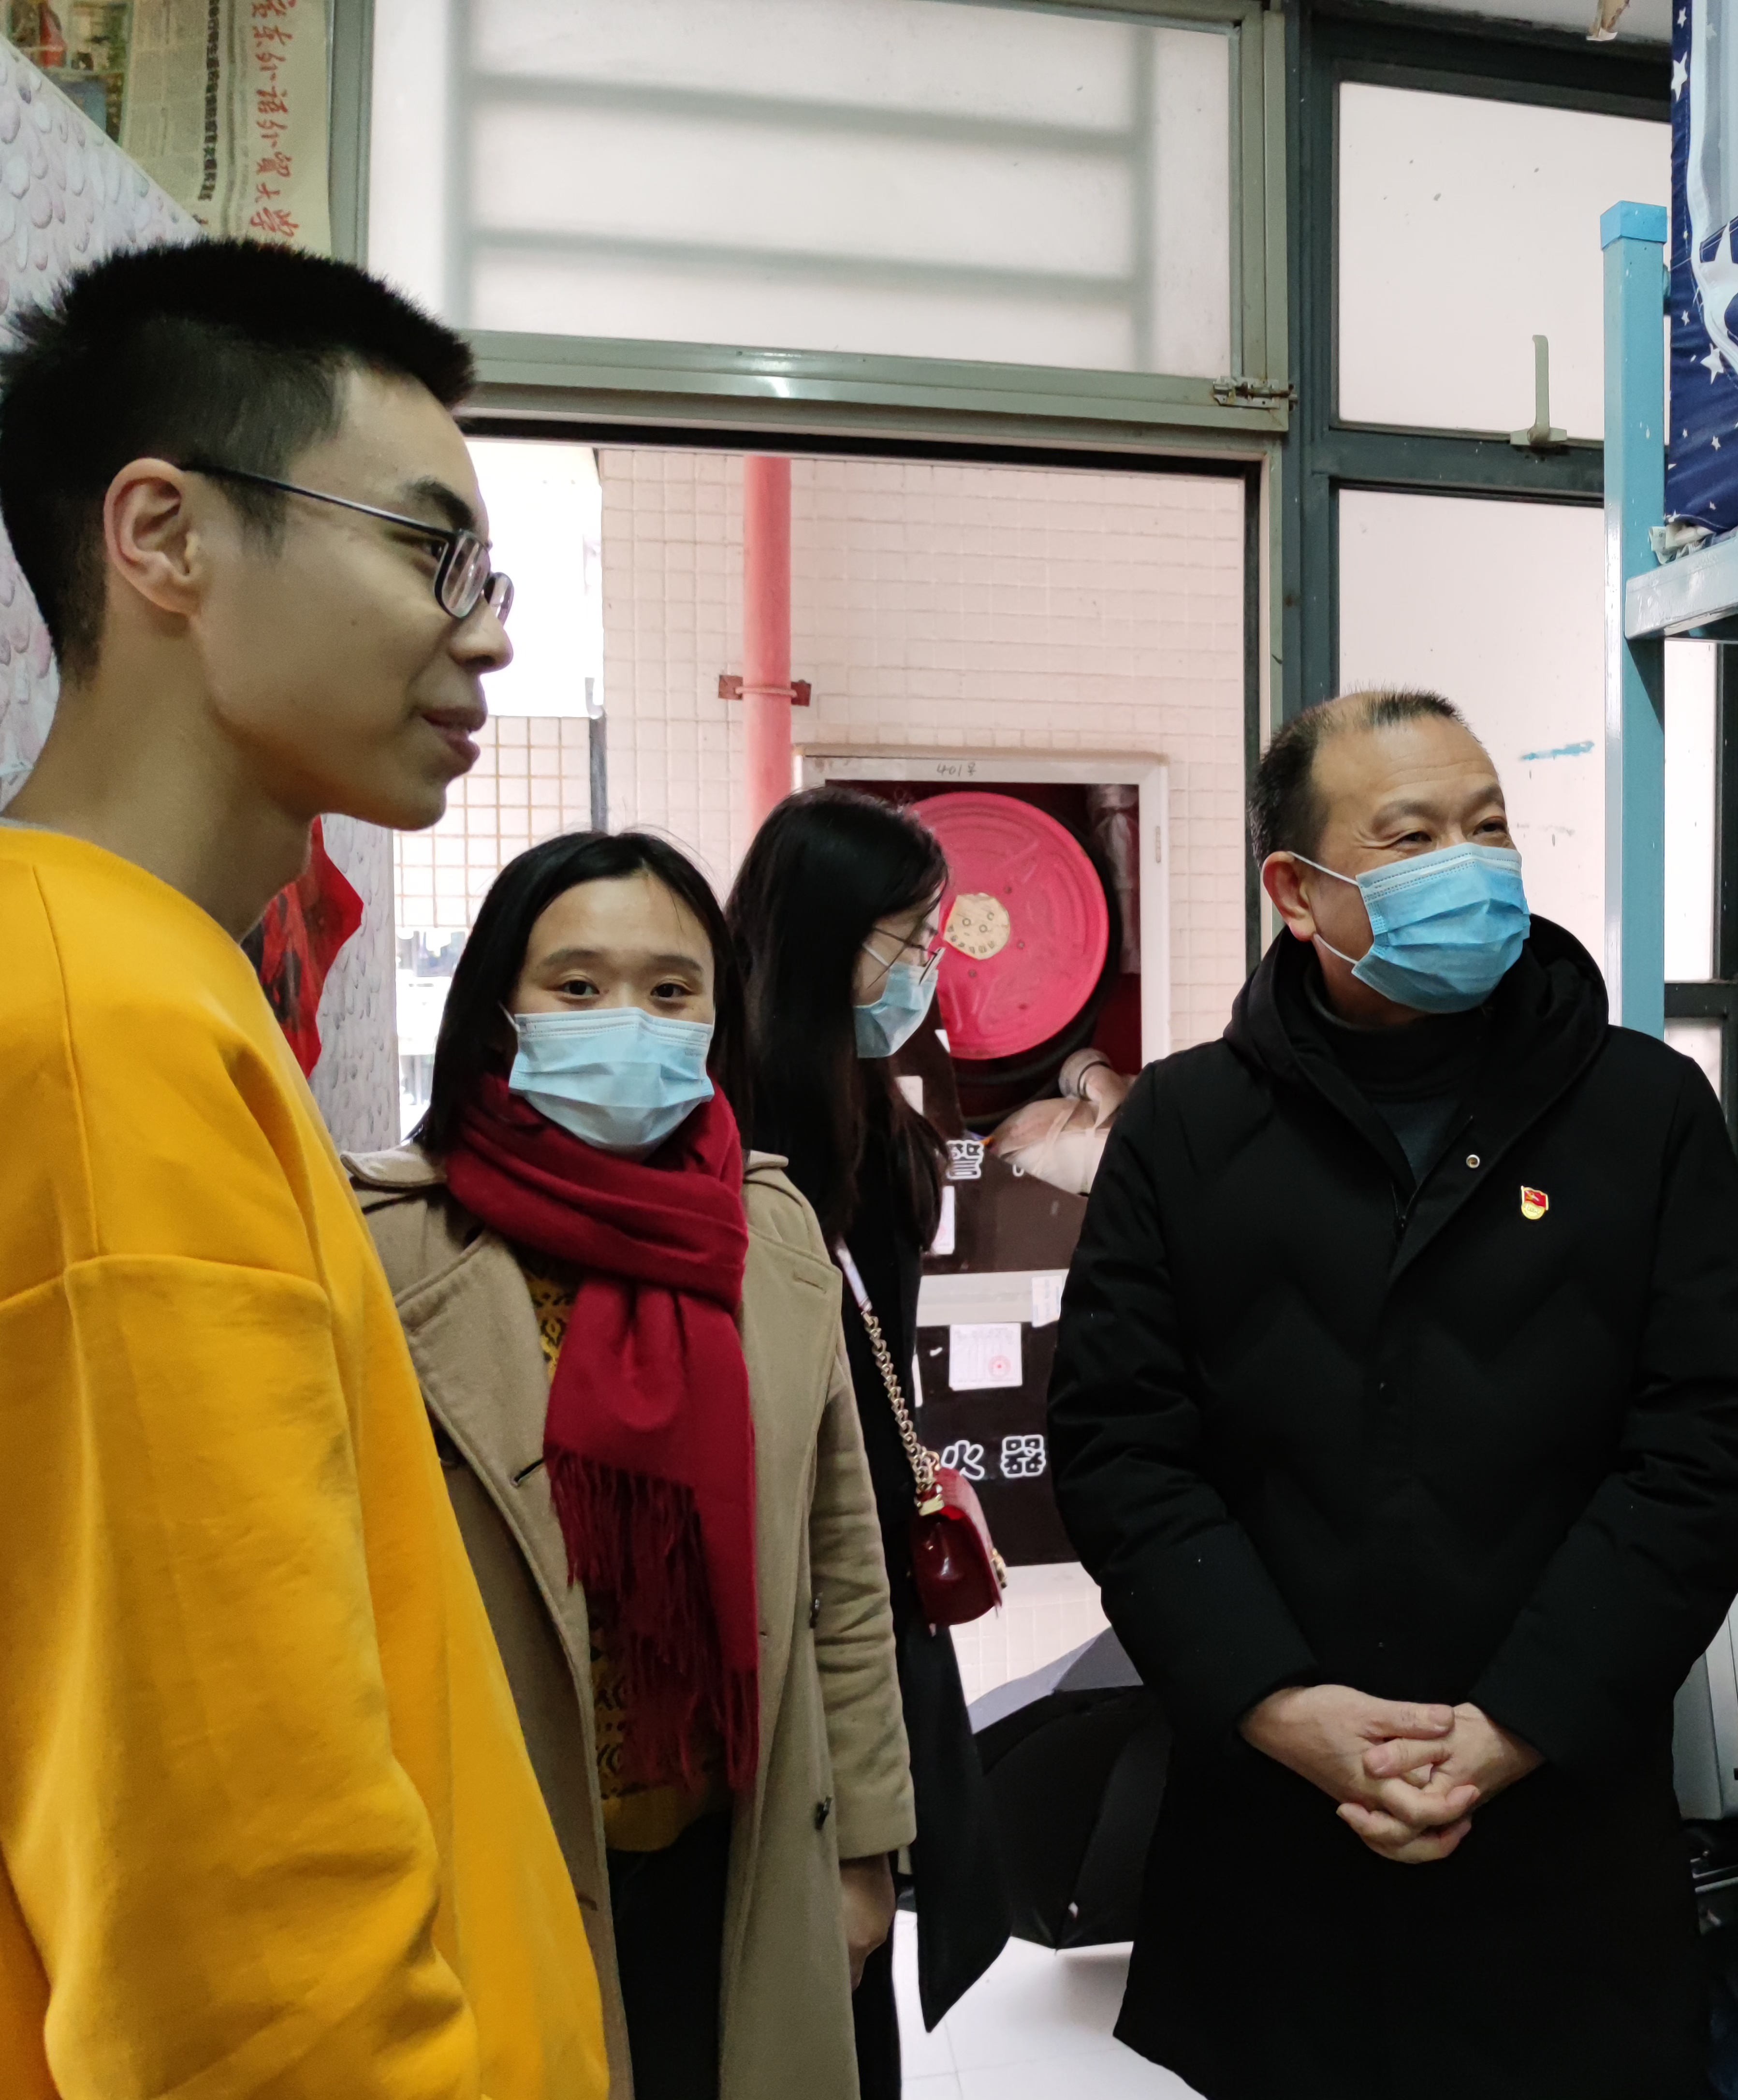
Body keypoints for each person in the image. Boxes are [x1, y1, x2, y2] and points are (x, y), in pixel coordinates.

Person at [0, 242, 606, 2096]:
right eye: (430, 549)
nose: (486, 636)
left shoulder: (137, 975)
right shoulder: (99, 1031)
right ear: (164, 537)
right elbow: (239, 1941)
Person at [1047, 689, 1738, 2100]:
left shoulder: (1642, 1112)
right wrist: (1279, 1704)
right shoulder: (1187, 1129)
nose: (1472, 863)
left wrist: (1516, 1724)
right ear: (1297, 893)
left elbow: (1704, 1443)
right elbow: (1120, 1446)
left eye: (1488, 827)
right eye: (1413, 836)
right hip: (1273, 1847)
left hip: (1563, 1829)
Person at [348, 829, 915, 2100]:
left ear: (718, 1017)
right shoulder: (387, 1245)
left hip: (739, 1860)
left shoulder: (768, 1232)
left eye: (671, 991)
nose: (629, 1022)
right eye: (578, 985)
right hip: (498, 1866)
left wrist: (865, 1849)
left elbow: (842, 1566)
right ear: (499, 1009)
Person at [726, 786, 1012, 2088]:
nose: (924, 967)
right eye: (906, 937)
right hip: (786, 1596)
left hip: (877, 1588)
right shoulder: (725, 1143)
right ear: (819, 938)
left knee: (861, 1960)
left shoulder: (875, 1114)